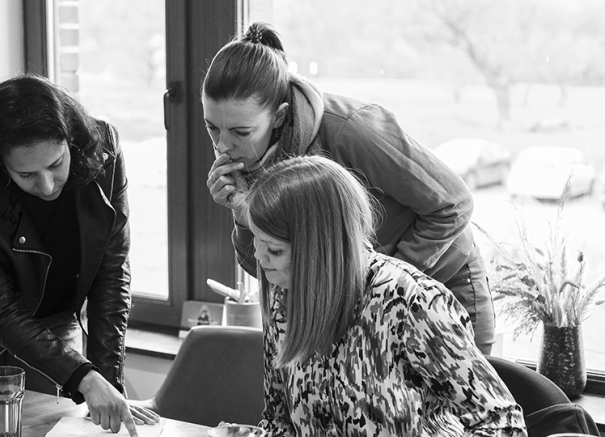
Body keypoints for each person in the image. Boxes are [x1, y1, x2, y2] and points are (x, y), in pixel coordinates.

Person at [204, 22, 497, 354]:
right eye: (212, 127)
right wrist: (244, 215)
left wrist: (380, 286)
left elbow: (453, 204)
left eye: (240, 132)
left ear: (280, 116)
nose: (223, 146)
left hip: (441, 285)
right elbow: (267, 268)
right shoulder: (249, 157)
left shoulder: (351, 130)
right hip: (355, 308)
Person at [244, 155, 525, 437]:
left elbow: (502, 423)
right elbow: (278, 420)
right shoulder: (285, 297)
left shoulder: (411, 303)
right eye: (257, 240)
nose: (258, 256)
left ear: (318, 248)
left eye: (274, 249)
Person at [0, 74, 159, 437]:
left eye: (55, 164)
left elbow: (110, 272)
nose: (47, 185)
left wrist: (104, 380)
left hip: (53, 313)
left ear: (71, 140)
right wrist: (85, 376)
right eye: (26, 174)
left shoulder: (104, 151)